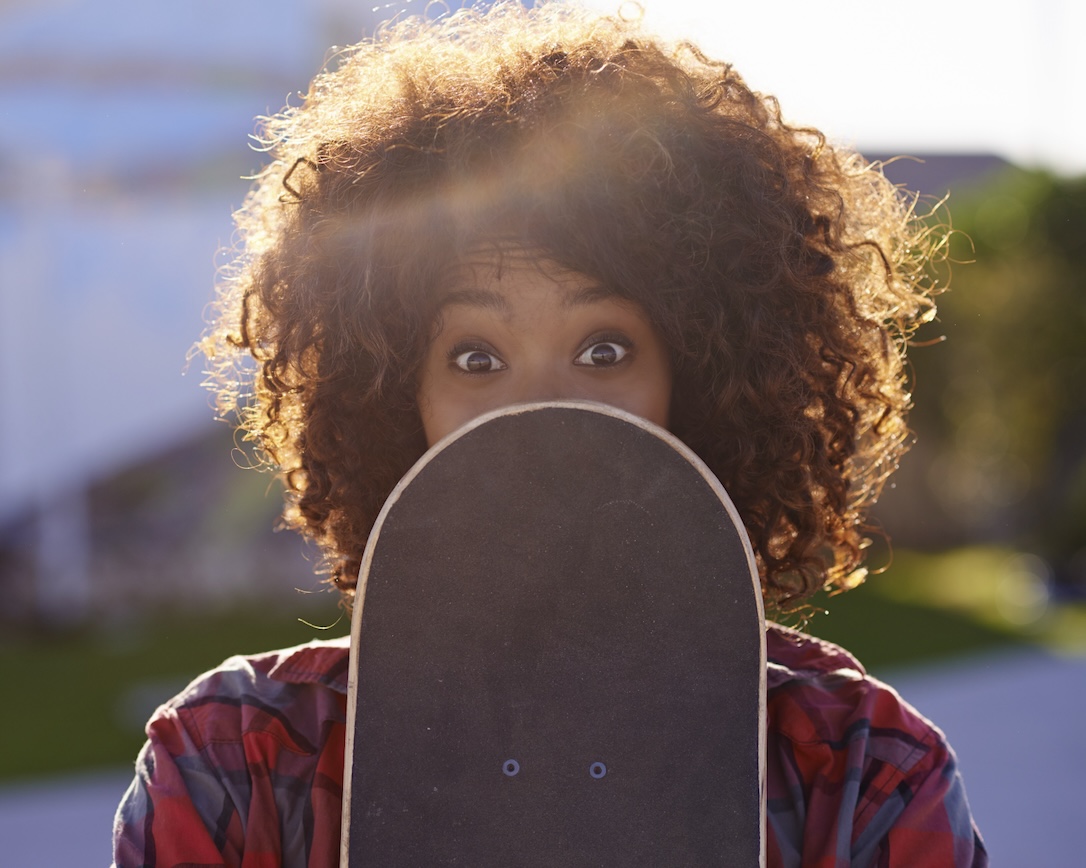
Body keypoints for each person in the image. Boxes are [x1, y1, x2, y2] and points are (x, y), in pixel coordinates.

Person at [112, 2, 987, 865]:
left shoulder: (864, 777)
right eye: (476, 358)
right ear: (389, 401)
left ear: (707, 384)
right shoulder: (234, 764)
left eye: (604, 349)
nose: (539, 407)